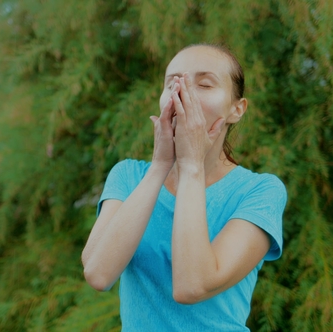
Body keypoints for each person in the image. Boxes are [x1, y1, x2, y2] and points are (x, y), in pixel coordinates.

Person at [81, 44, 287, 331]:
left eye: (203, 84)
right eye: (173, 84)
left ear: (236, 109)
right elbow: (98, 274)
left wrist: (192, 167)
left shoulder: (260, 192)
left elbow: (192, 286)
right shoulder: (128, 176)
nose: (183, 93)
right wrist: (159, 167)